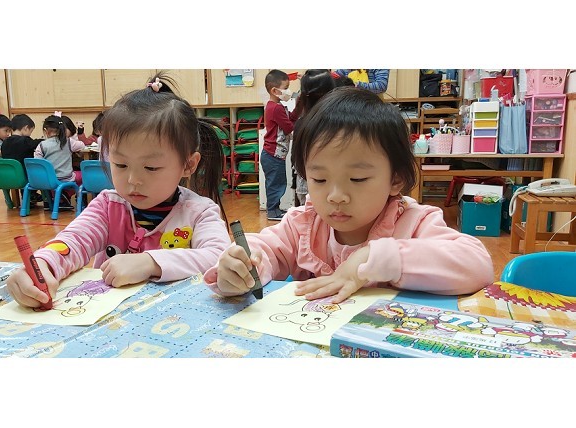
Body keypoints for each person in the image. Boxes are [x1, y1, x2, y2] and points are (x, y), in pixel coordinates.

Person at [204, 87, 494, 303]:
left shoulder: (414, 222)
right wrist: (241, 268)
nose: (336, 196)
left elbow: (477, 264)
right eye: (319, 179)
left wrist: (373, 259)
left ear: (396, 179)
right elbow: (265, 248)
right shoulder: (304, 225)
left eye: (357, 179)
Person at [6, 73, 231, 310]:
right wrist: (44, 264)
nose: (133, 180)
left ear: (188, 165)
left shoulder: (199, 212)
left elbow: (217, 257)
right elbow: (73, 241)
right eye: (121, 165)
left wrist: (150, 262)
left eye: (151, 167)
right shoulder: (107, 206)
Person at [292, 69, 335, 206]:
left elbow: (296, 160)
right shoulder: (337, 123)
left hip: (308, 185)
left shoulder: (302, 123)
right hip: (329, 187)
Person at [262, 69, 300, 221]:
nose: (288, 91)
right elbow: (289, 127)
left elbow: (290, 119)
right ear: (274, 90)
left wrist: (298, 106)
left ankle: (275, 208)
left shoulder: (275, 106)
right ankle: (273, 211)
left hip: (273, 154)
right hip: (273, 153)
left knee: (276, 182)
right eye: (285, 88)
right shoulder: (276, 108)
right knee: (276, 184)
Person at [33, 113, 86, 210]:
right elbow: (82, 145)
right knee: (83, 175)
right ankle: (74, 198)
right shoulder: (68, 142)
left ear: (46, 130)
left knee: (57, 179)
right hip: (66, 178)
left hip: (48, 179)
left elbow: (38, 161)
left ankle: (58, 196)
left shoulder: (42, 145)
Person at [0, 114, 44, 204]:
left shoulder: (5, 142)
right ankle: (33, 195)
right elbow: (36, 143)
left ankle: (30, 196)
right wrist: (46, 140)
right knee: (35, 170)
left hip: (8, 176)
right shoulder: (25, 140)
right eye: (31, 131)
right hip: (24, 177)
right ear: (26, 128)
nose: (30, 134)